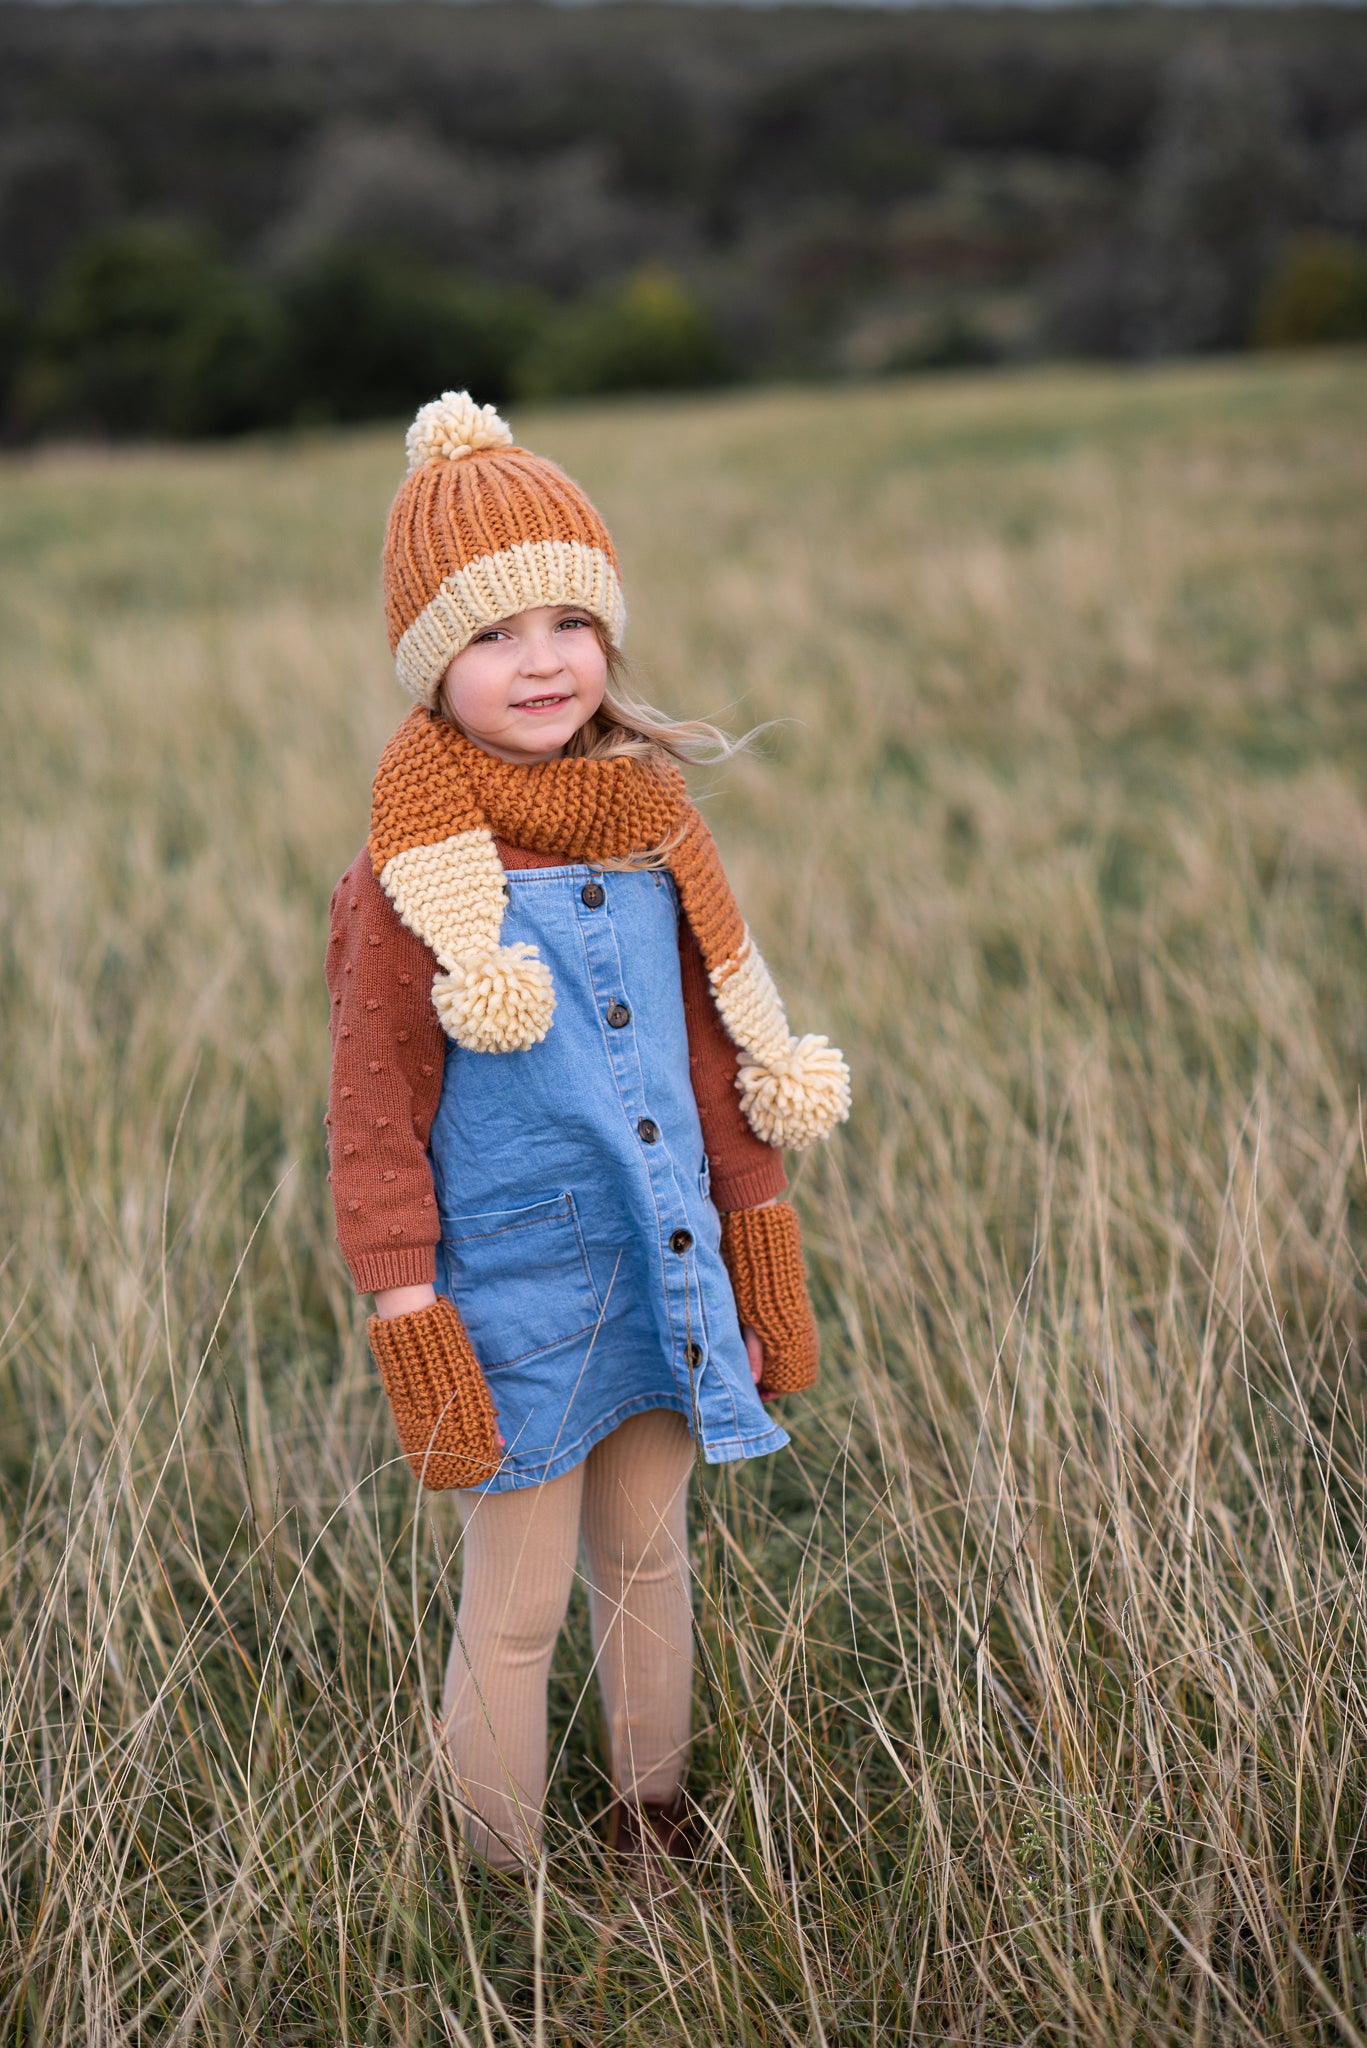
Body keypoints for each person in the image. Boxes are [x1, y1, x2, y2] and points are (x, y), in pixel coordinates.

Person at [325, 391, 850, 1881]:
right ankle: (501, 1876)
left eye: (568, 617)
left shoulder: (651, 822)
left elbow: (717, 1072)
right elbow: (373, 1117)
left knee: (650, 1560)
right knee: (518, 1599)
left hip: (664, 1253)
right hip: (510, 1298)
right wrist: (408, 1310)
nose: (541, 657)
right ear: (434, 665)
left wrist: (762, 1260)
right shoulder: (412, 882)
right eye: (491, 634)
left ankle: (652, 1819)